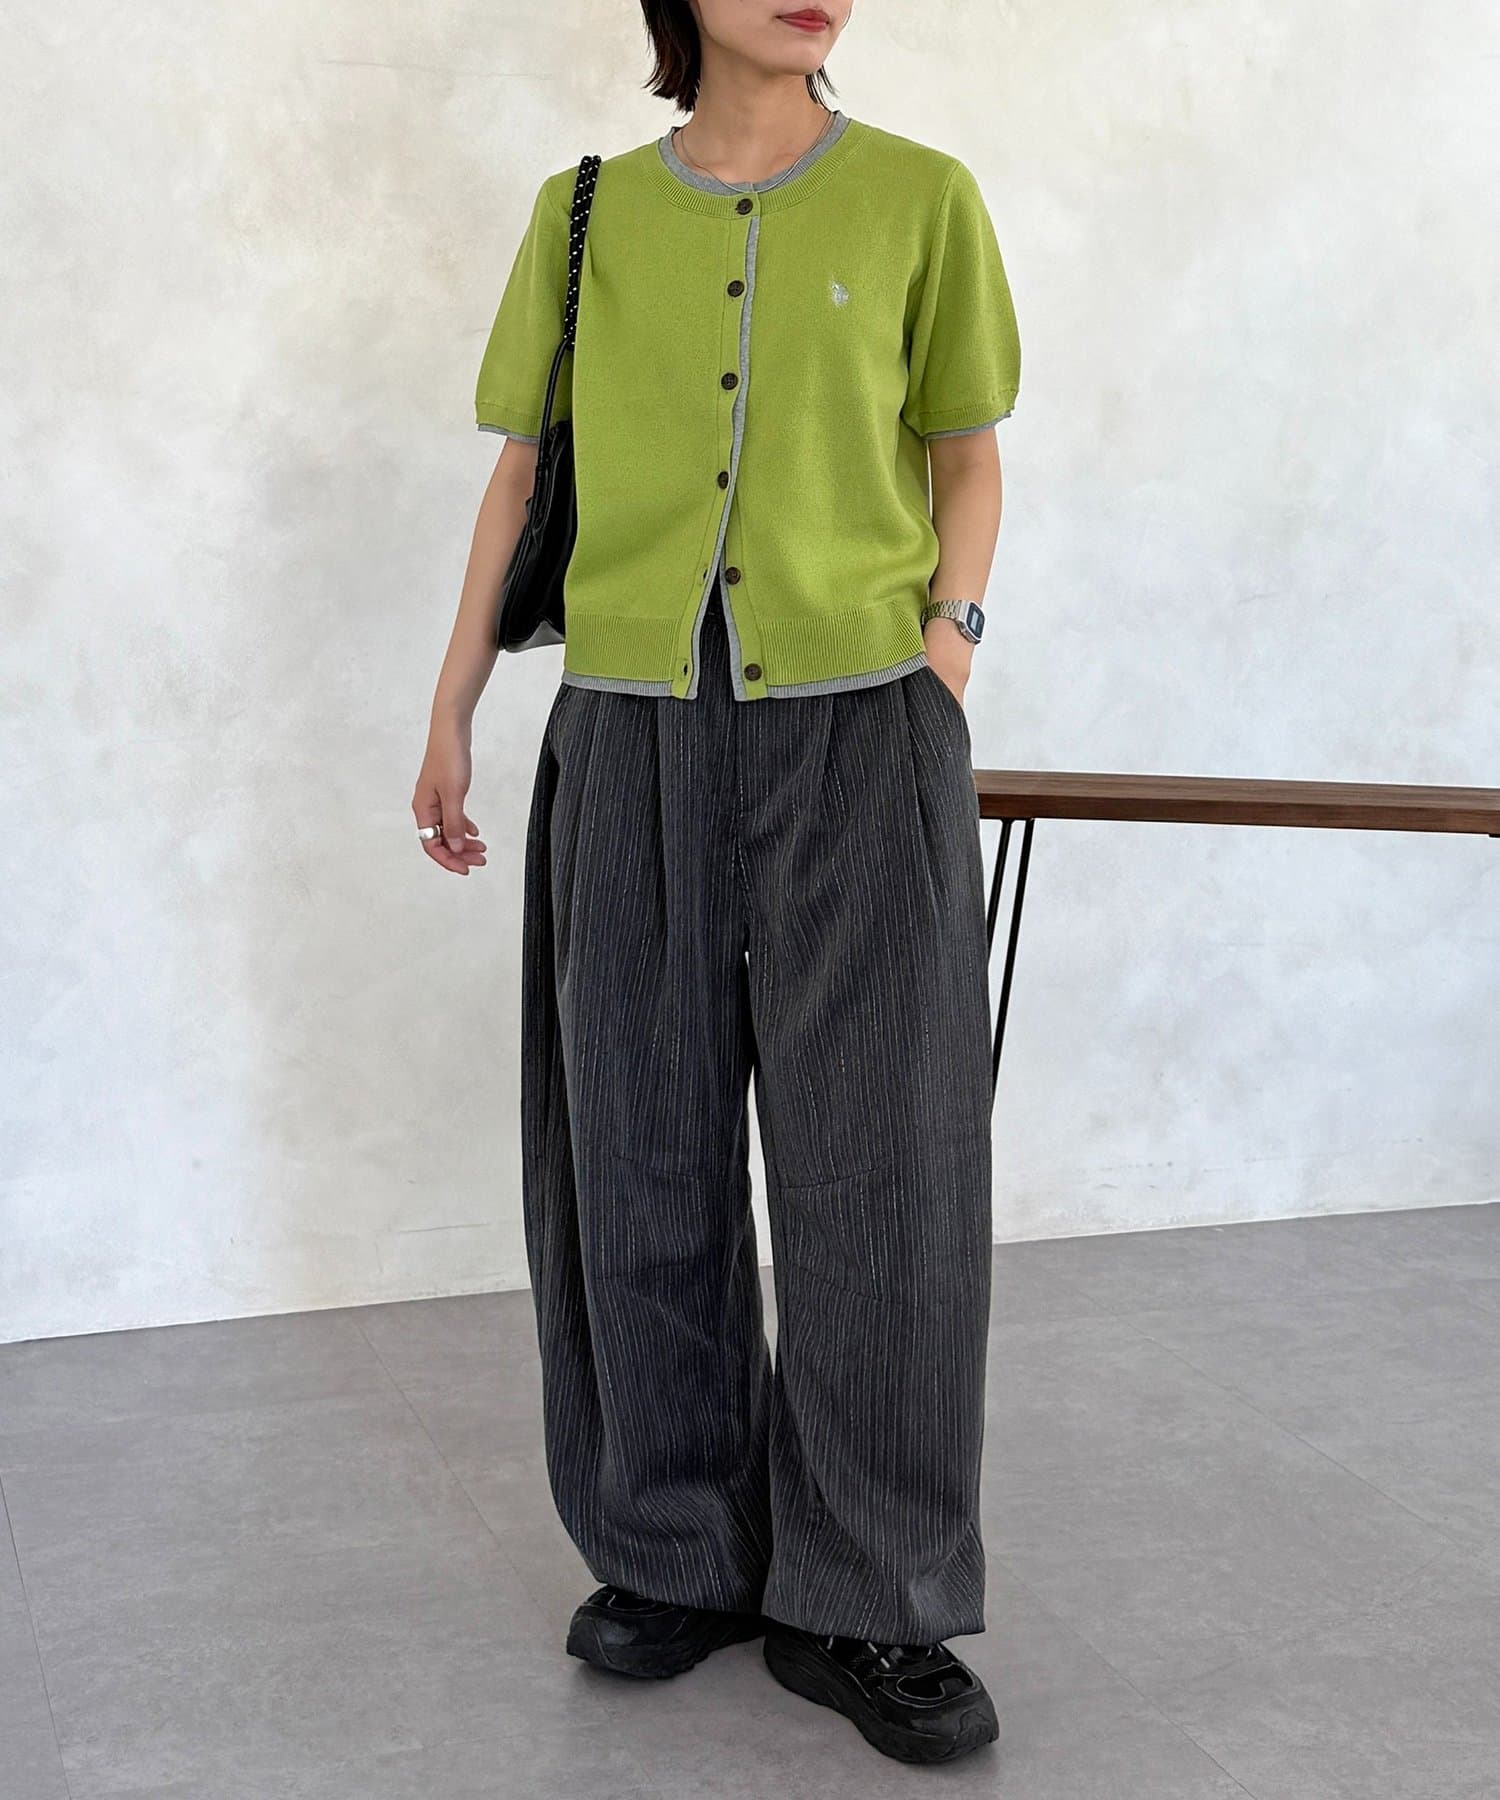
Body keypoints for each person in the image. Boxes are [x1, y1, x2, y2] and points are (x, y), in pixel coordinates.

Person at [413, 0, 1020, 1768]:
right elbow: (523, 472)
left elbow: (966, 454)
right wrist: (452, 704)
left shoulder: (922, 196)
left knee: (885, 1169)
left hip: (865, 727)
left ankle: (870, 1596)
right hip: (626, 730)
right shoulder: (585, 212)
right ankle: (675, 1549)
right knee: (634, 1153)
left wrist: (947, 648)